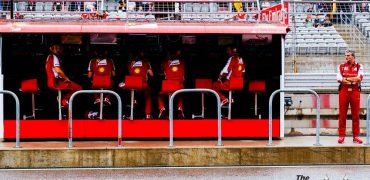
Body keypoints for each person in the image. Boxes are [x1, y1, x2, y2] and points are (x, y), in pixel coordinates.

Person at [336, 49, 364, 144]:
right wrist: (351, 80)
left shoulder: (359, 66)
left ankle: (356, 136)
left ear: (353, 56)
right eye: (346, 55)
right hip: (344, 92)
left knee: (355, 115)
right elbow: (339, 78)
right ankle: (341, 136)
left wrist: (346, 79)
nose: (346, 57)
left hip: (355, 92)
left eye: (348, 55)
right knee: (342, 114)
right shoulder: (341, 66)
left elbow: (359, 78)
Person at [119, 50, 154, 119]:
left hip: (132, 83)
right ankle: (148, 115)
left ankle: (134, 100)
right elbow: (152, 74)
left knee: (123, 86)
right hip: (143, 84)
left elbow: (129, 73)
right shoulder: (146, 62)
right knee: (148, 96)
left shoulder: (129, 63)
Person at [158, 49, 185, 119]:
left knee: (159, 95)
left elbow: (162, 72)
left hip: (168, 85)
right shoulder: (182, 61)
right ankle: (180, 108)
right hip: (179, 85)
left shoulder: (164, 62)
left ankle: (162, 108)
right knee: (180, 94)